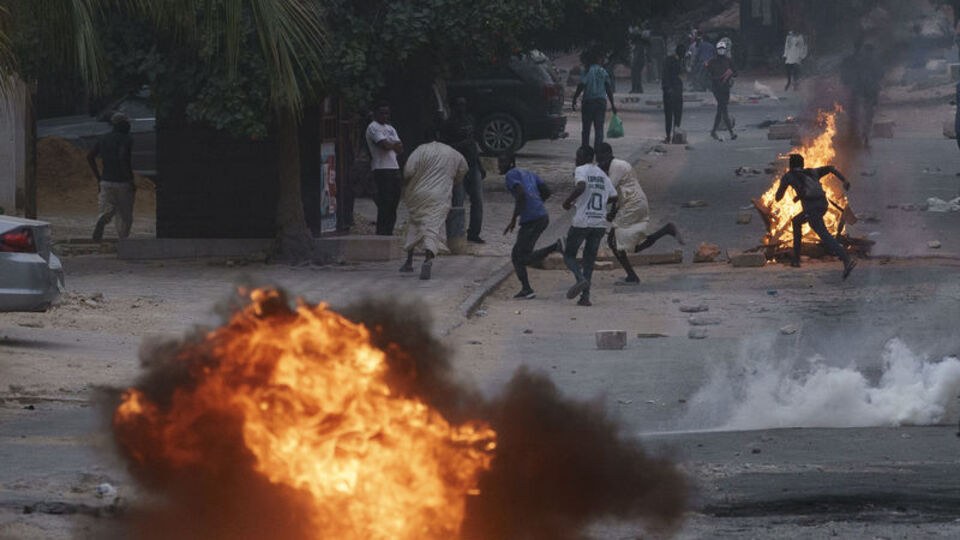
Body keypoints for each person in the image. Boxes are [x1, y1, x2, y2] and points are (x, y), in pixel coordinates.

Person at [596, 143, 683, 284]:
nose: (601, 163)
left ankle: (632, 276)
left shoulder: (616, 166)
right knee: (628, 245)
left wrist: (595, 205)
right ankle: (666, 230)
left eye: (601, 159)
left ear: (608, 155)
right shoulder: (616, 166)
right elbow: (619, 193)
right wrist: (612, 211)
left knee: (614, 242)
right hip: (634, 203)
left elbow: (610, 194)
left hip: (633, 205)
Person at [775, 154, 856, 279]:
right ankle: (796, 260)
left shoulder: (789, 176)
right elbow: (830, 168)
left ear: (790, 165)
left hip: (812, 208)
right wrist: (844, 180)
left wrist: (785, 190)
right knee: (796, 221)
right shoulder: (812, 172)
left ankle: (846, 259)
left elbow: (778, 197)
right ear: (802, 164)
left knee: (824, 234)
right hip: (823, 204)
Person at [399, 136, 468, 280]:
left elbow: (408, 171)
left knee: (414, 223)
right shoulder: (453, 153)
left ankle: (409, 261)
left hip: (418, 194)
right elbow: (463, 169)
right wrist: (453, 179)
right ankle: (427, 260)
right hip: (440, 195)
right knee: (432, 227)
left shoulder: (419, 150)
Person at [561, 146, 618, 306]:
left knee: (569, 255)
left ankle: (580, 279)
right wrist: (600, 206)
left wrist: (567, 202)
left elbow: (581, 187)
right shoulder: (602, 174)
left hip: (583, 221)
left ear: (584, 157)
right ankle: (585, 297)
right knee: (589, 260)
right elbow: (614, 196)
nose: (576, 159)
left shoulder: (581, 170)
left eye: (577, 156)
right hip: (599, 222)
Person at [501, 151, 563, 299]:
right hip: (542, 217)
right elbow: (547, 191)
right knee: (523, 255)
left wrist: (514, 219)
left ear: (510, 163)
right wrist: (537, 203)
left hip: (532, 220)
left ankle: (555, 247)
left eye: (502, 162)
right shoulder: (530, 173)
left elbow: (521, 195)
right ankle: (527, 289)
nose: (499, 165)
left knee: (517, 256)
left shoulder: (510, 175)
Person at [442, 97, 486, 243]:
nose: (462, 108)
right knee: (458, 202)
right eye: (459, 105)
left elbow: (474, 144)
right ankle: (456, 234)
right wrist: (462, 144)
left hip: (473, 165)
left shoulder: (470, 120)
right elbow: (445, 147)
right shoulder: (448, 125)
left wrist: (480, 166)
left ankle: (474, 233)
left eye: (464, 105)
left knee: (478, 201)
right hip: (457, 167)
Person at [87, 113, 135, 241]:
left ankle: (102, 219)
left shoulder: (103, 139)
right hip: (123, 182)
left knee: (107, 208)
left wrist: (98, 177)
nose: (129, 125)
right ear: (121, 124)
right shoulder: (126, 139)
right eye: (127, 123)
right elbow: (122, 157)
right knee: (125, 215)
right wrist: (130, 179)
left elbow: (90, 156)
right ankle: (123, 239)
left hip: (106, 181)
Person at [366, 102, 404, 235]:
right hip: (381, 168)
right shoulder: (373, 127)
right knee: (385, 202)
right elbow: (384, 146)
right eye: (382, 113)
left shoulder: (390, 128)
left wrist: (391, 144)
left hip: (394, 167)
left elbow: (399, 148)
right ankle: (382, 231)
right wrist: (392, 144)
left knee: (394, 201)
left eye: (387, 113)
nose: (385, 116)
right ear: (376, 113)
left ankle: (389, 231)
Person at [572, 52, 618, 149]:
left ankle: (585, 149)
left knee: (586, 128)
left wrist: (575, 97)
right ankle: (598, 150)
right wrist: (613, 105)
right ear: (598, 60)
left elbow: (582, 85)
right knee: (599, 128)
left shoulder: (587, 70)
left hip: (588, 102)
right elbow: (608, 89)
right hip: (601, 102)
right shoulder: (603, 71)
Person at [707, 39, 737, 141]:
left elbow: (735, 72)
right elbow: (709, 75)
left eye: (722, 49)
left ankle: (714, 131)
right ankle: (731, 132)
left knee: (721, 110)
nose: (721, 50)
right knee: (723, 109)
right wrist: (719, 78)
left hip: (725, 88)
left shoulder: (728, 61)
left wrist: (730, 76)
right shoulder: (712, 62)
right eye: (719, 49)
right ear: (717, 50)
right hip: (717, 88)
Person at [662, 43, 686, 144]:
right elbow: (665, 75)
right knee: (669, 115)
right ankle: (668, 136)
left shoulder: (681, 61)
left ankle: (674, 136)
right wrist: (667, 88)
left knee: (677, 114)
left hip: (677, 91)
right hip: (670, 92)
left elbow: (682, 76)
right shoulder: (670, 60)